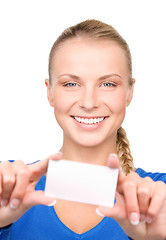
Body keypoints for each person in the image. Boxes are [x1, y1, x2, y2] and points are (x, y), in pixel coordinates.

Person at [0, 19, 166, 240]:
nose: (89, 103)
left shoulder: (161, 197)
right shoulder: (5, 187)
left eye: (108, 84)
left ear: (129, 92)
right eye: (71, 84)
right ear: (49, 92)